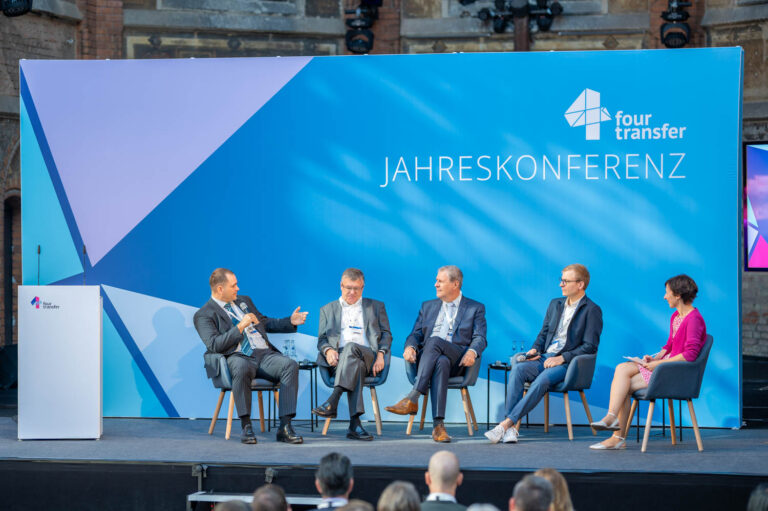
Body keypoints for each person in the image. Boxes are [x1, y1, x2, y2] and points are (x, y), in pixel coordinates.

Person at [486, 264, 602, 444]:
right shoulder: (555, 304)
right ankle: (509, 430)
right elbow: (544, 333)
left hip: (569, 364)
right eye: (561, 280)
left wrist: (562, 358)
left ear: (580, 285)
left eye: (565, 281)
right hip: (546, 357)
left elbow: (590, 346)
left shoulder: (592, 310)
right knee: (517, 369)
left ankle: (506, 424)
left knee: (542, 380)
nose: (560, 285)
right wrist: (535, 349)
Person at [590, 274, 706, 450]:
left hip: (676, 374)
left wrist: (658, 365)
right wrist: (657, 357)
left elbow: (690, 354)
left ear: (678, 295)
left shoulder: (694, 319)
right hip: (666, 367)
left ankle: (615, 431)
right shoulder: (676, 316)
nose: (664, 296)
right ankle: (613, 425)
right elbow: (670, 345)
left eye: (667, 293)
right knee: (623, 373)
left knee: (623, 380)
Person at [194, 268, 309, 445]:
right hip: (237, 355)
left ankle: (285, 427)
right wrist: (240, 327)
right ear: (219, 289)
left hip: (263, 354)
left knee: (290, 365)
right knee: (240, 367)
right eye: (233, 286)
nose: (237, 288)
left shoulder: (243, 301)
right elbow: (215, 345)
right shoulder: (204, 314)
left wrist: (290, 321)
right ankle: (246, 426)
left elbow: (264, 322)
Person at [385, 265, 487, 443]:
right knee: (440, 361)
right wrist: (410, 347)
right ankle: (438, 427)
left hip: (459, 360)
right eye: (436, 281)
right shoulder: (428, 306)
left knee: (433, 341)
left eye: (440, 281)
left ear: (455, 284)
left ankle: (413, 397)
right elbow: (415, 334)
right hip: (432, 360)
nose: (435, 285)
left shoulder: (474, 308)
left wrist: (472, 351)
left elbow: (480, 337)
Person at [313, 268, 392, 441]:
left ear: (363, 287)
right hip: (339, 361)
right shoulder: (327, 309)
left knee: (351, 348)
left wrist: (381, 354)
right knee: (354, 364)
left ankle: (333, 399)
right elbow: (322, 340)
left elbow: (387, 334)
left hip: (368, 355)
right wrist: (328, 351)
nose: (352, 292)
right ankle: (354, 425)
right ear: (341, 286)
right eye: (349, 287)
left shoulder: (376, 306)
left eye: (357, 288)